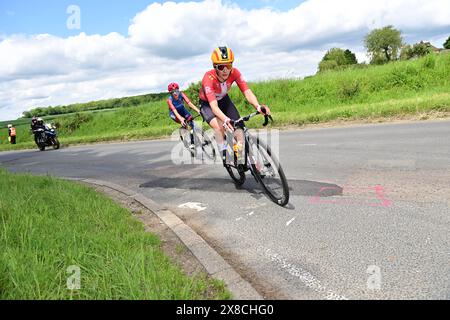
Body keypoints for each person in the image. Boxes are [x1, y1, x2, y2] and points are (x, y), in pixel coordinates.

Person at [198, 46, 270, 162]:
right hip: (208, 105)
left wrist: (258, 106)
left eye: (229, 65)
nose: (225, 70)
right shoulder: (208, 78)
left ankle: (246, 159)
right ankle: (224, 153)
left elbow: (247, 92)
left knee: (239, 130)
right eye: (221, 67)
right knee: (220, 127)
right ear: (215, 67)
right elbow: (214, 107)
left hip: (224, 100)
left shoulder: (235, 73)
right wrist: (226, 119)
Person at [167, 83, 200, 148]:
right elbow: (175, 111)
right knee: (186, 124)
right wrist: (181, 119)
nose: (175, 93)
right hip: (174, 114)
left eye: (176, 91)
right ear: (170, 93)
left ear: (178, 90)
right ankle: (190, 141)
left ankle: (195, 137)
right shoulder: (169, 100)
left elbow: (189, 103)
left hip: (182, 110)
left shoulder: (181, 94)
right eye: (172, 92)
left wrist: (198, 111)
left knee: (191, 123)